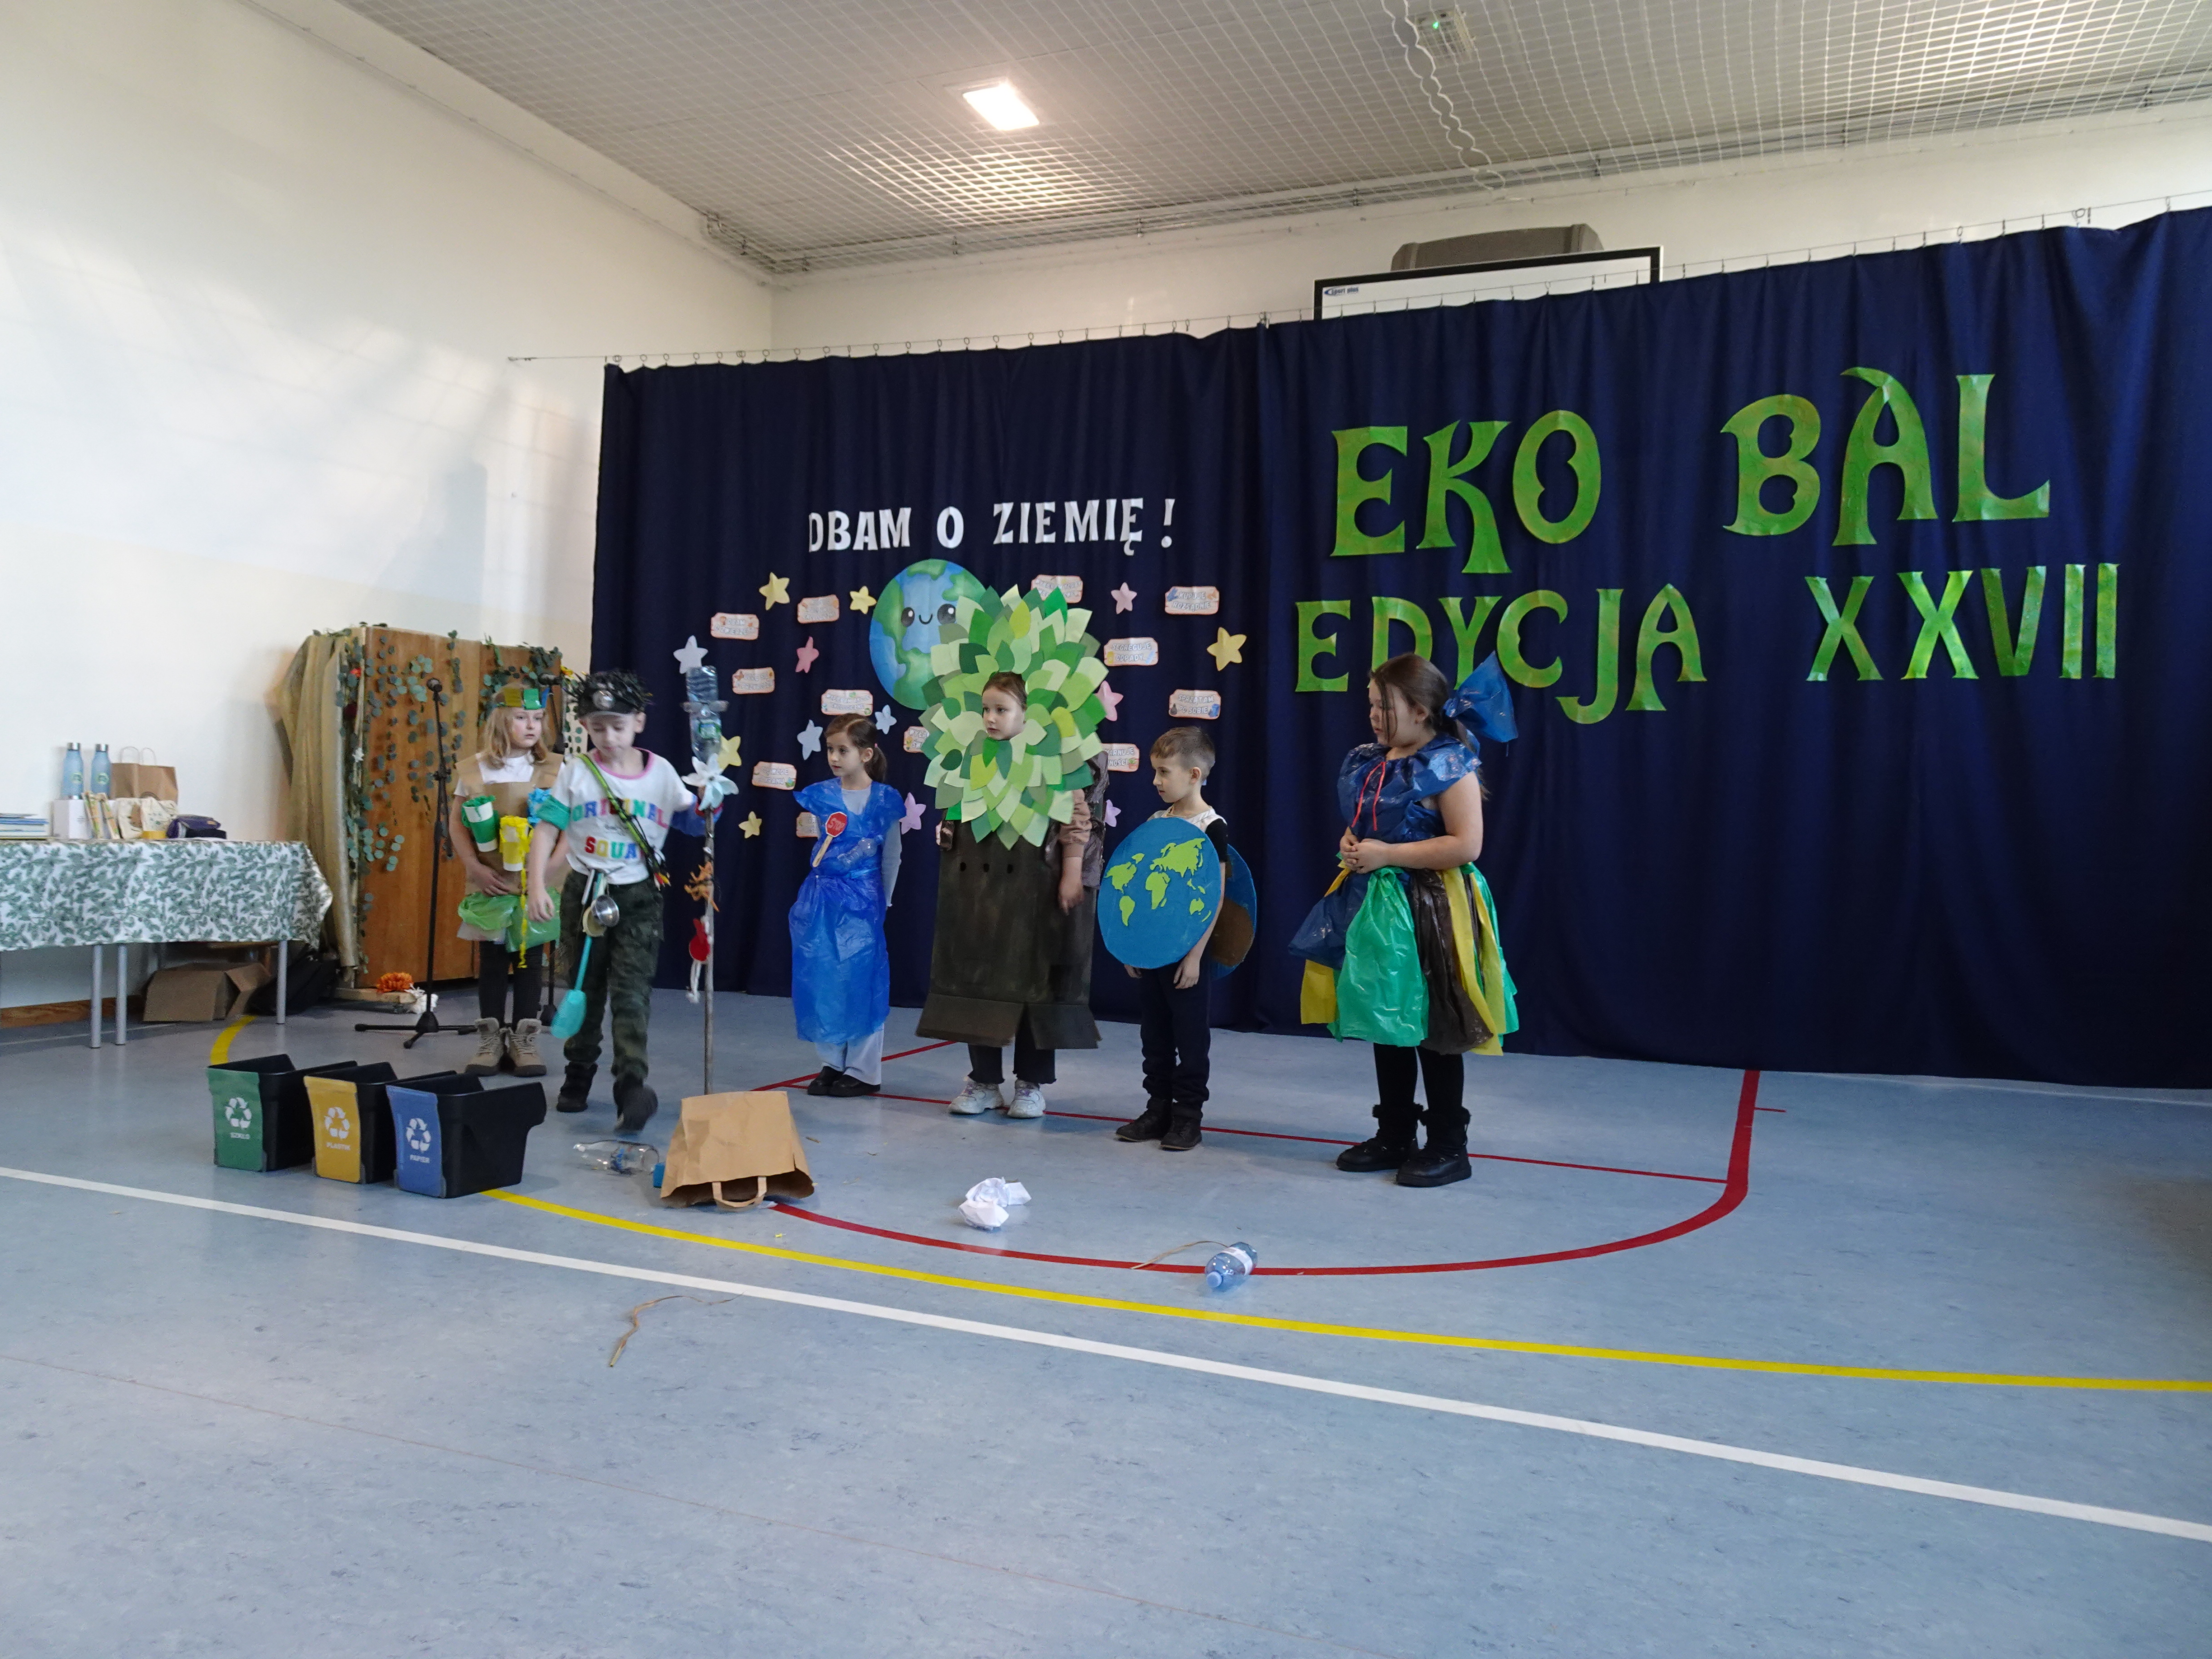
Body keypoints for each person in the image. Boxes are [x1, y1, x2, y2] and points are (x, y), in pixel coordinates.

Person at [1312, 653, 1514, 1188]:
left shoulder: (1450, 764)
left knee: (1434, 1025)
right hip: (1382, 909)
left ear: (1421, 711)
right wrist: (1353, 842)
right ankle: (1395, 1133)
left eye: (1384, 707)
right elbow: (1367, 822)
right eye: (1371, 706)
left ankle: (1448, 1144)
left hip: (1433, 908)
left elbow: (1466, 845)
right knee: (1389, 1018)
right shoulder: (1371, 760)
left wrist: (1387, 855)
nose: (1374, 716)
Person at [918, 670, 1107, 1119]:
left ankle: (1031, 1084)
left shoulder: (1057, 755)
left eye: (1001, 710)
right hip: (984, 890)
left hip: (1038, 887)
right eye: (986, 709)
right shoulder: (972, 754)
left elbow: (1078, 818)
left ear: (1028, 713)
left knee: (1036, 982)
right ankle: (984, 1081)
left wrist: (1071, 873)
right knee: (979, 978)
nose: (990, 718)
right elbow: (956, 809)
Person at [525, 669, 696, 1132]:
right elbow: (547, 830)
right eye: (597, 728)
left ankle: (631, 1085)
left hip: (639, 895)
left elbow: (692, 820)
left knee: (631, 993)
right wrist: (537, 885)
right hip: (586, 891)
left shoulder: (661, 773)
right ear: (585, 726)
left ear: (639, 722)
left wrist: (711, 802)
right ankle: (579, 1071)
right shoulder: (576, 773)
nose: (608, 737)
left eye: (618, 726)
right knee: (584, 987)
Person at [1115, 727, 1232, 1152]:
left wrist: (1195, 956)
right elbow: (1138, 888)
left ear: (1194, 774)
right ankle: (1157, 1109)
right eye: (1155, 772)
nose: (1156, 781)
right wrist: (1132, 946)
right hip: (1154, 951)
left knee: (1190, 1037)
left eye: (1164, 772)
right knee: (1155, 1035)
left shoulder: (1211, 827)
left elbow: (1214, 896)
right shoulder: (1156, 824)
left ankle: (1187, 1118)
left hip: (1188, 954)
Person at [448, 682, 562, 1078]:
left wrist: (545, 875)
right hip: (491, 881)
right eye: (521, 718)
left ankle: (525, 1041)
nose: (532, 726)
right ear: (500, 721)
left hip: (536, 883)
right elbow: (457, 824)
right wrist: (474, 867)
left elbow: (567, 826)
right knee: (494, 961)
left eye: (537, 718)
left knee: (530, 959)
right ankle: (491, 1041)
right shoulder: (475, 769)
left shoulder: (554, 769)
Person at [790, 713, 904, 1098]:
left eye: (843, 750)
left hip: (863, 903)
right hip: (823, 900)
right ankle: (832, 1062)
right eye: (830, 750)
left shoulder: (885, 800)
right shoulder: (822, 795)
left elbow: (892, 856)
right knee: (823, 977)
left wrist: (884, 901)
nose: (834, 758)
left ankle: (863, 1068)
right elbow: (822, 849)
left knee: (862, 981)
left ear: (867, 754)